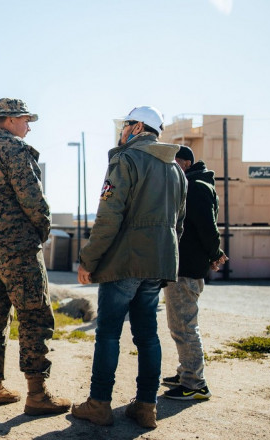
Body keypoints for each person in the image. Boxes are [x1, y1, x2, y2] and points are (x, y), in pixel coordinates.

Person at [71, 106, 186, 429]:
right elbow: (179, 224)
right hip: (158, 264)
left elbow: (109, 216)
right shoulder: (176, 170)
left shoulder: (126, 159)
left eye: (124, 126)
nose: (120, 132)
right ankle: (146, 406)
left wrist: (89, 261)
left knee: (108, 334)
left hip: (124, 263)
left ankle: (99, 404)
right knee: (147, 336)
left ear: (137, 127)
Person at [0, 98, 71, 416]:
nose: (29, 125)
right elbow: (32, 198)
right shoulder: (13, 148)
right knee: (34, 313)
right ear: (9, 120)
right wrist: (41, 230)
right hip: (16, 245)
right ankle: (37, 394)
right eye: (26, 119)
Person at [162, 146, 227, 400]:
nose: (171, 168)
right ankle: (185, 373)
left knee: (185, 326)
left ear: (186, 163)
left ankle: (195, 384)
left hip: (187, 268)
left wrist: (215, 253)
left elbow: (207, 227)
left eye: (175, 163)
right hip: (185, 266)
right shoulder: (195, 184)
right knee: (179, 324)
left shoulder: (196, 187)